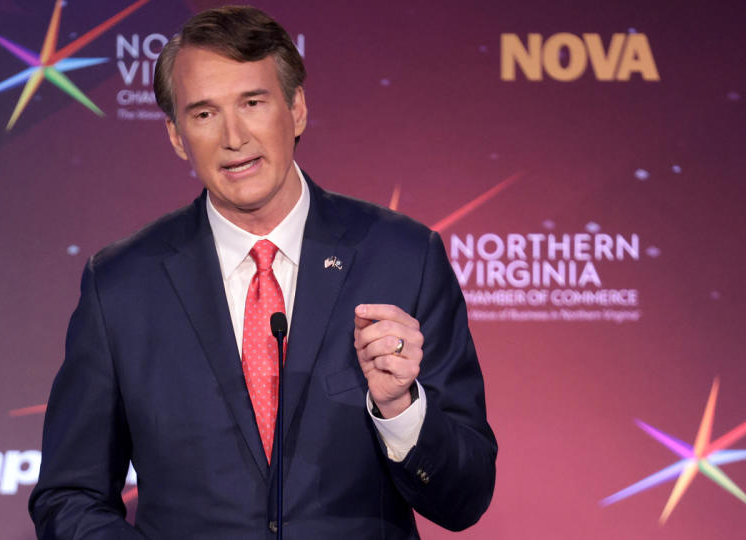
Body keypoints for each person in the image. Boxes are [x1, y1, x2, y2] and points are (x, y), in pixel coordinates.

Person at [28, 6, 496, 539]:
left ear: (296, 109)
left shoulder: (403, 257)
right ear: (178, 136)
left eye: (253, 103)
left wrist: (401, 410)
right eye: (204, 114)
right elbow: (69, 496)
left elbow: (467, 497)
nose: (234, 136)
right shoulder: (121, 285)